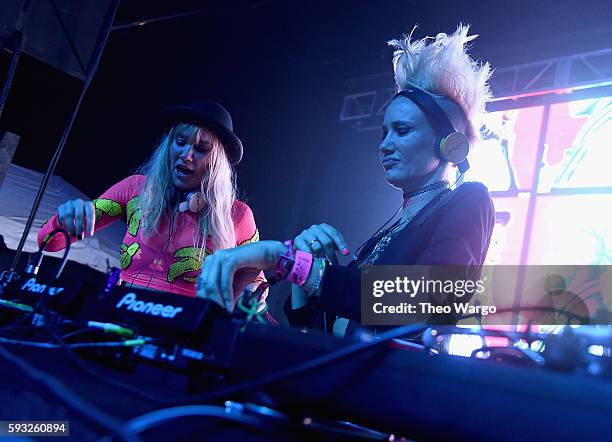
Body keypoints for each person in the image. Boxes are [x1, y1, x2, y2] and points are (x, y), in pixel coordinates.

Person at [197, 25, 495, 330]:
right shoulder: (388, 231)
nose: (385, 144)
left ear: (451, 144)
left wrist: (284, 259)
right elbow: (321, 333)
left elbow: (433, 296)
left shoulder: (471, 199)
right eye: (384, 133)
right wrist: (303, 272)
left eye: (402, 130)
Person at [38, 100, 264, 304]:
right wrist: (64, 220)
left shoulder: (238, 215)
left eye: (201, 149)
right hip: (122, 314)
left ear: (217, 164)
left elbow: (255, 283)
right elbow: (48, 243)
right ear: (169, 146)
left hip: (188, 330)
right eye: (180, 142)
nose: (186, 155)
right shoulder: (135, 189)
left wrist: (252, 293)